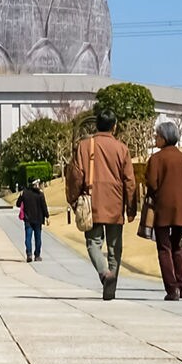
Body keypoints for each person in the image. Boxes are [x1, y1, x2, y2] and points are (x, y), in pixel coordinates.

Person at [66, 110, 137, 300]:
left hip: (91, 200)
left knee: (93, 243)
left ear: (97, 125)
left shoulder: (84, 146)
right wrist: (131, 207)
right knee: (115, 246)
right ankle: (112, 277)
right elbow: (130, 181)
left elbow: (76, 176)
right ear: (114, 126)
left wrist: (73, 198)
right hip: (115, 202)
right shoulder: (121, 148)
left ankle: (104, 274)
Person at [143, 119, 182, 302]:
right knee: (178, 246)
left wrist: (158, 195)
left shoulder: (156, 159)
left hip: (162, 209)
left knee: (164, 247)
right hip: (181, 210)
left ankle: (172, 289)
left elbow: (151, 184)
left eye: (157, 136)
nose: (156, 139)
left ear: (164, 138)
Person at [19, 177, 49, 262]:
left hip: (28, 219)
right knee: (38, 238)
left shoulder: (25, 193)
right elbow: (44, 206)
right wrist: (47, 216)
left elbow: (18, 204)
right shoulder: (40, 194)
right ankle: (37, 255)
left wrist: (21, 196)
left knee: (28, 237)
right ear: (35, 184)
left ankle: (29, 254)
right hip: (38, 219)